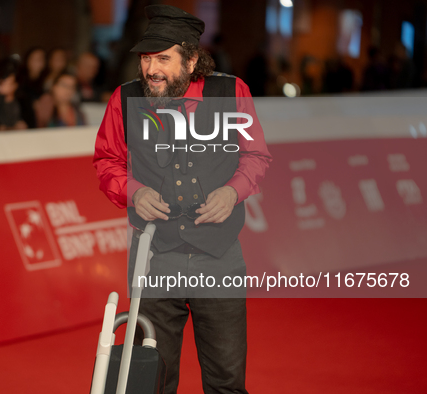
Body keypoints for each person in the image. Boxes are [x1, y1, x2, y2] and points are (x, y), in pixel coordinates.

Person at [93, 5, 272, 393]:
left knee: (226, 380)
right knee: (150, 379)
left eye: (163, 59)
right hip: (154, 256)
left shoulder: (230, 91)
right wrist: (133, 192)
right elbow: (107, 161)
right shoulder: (125, 100)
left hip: (219, 257)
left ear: (191, 59)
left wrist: (232, 191)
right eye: (145, 59)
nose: (151, 69)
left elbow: (255, 156)